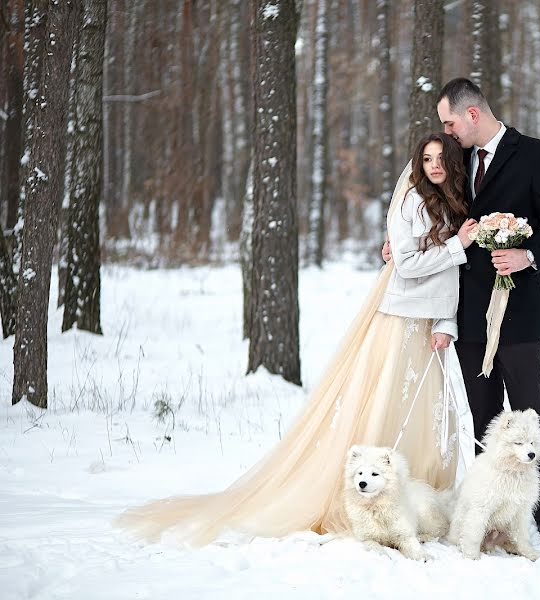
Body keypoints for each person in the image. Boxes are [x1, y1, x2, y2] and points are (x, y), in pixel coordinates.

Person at [117, 133, 478, 546]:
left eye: (441, 159)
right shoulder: (412, 199)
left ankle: (412, 502)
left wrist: (446, 318)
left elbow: (450, 275)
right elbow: (409, 267)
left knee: (420, 412)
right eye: (427, 158)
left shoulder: (452, 203)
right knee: (386, 401)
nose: (433, 165)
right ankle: (365, 499)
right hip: (399, 319)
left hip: (428, 323)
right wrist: (458, 245)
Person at [437, 78, 540, 549]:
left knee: (528, 414)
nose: (447, 132)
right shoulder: (454, 159)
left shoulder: (537, 154)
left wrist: (528, 255)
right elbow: (433, 211)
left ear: (472, 114)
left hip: (517, 312)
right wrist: (404, 242)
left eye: (450, 122)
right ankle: (491, 510)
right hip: (467, 311)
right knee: (483, 417)